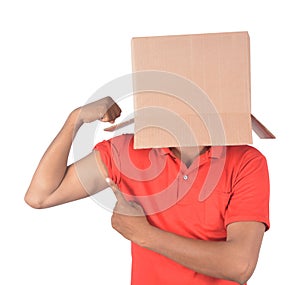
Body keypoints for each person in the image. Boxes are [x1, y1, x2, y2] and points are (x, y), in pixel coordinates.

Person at [25, 96, 270, 285]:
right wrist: (75, 119)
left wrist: (145, 235)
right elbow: (41, 195)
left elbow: (240, 264)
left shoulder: (246, 161)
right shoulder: (127, 152)